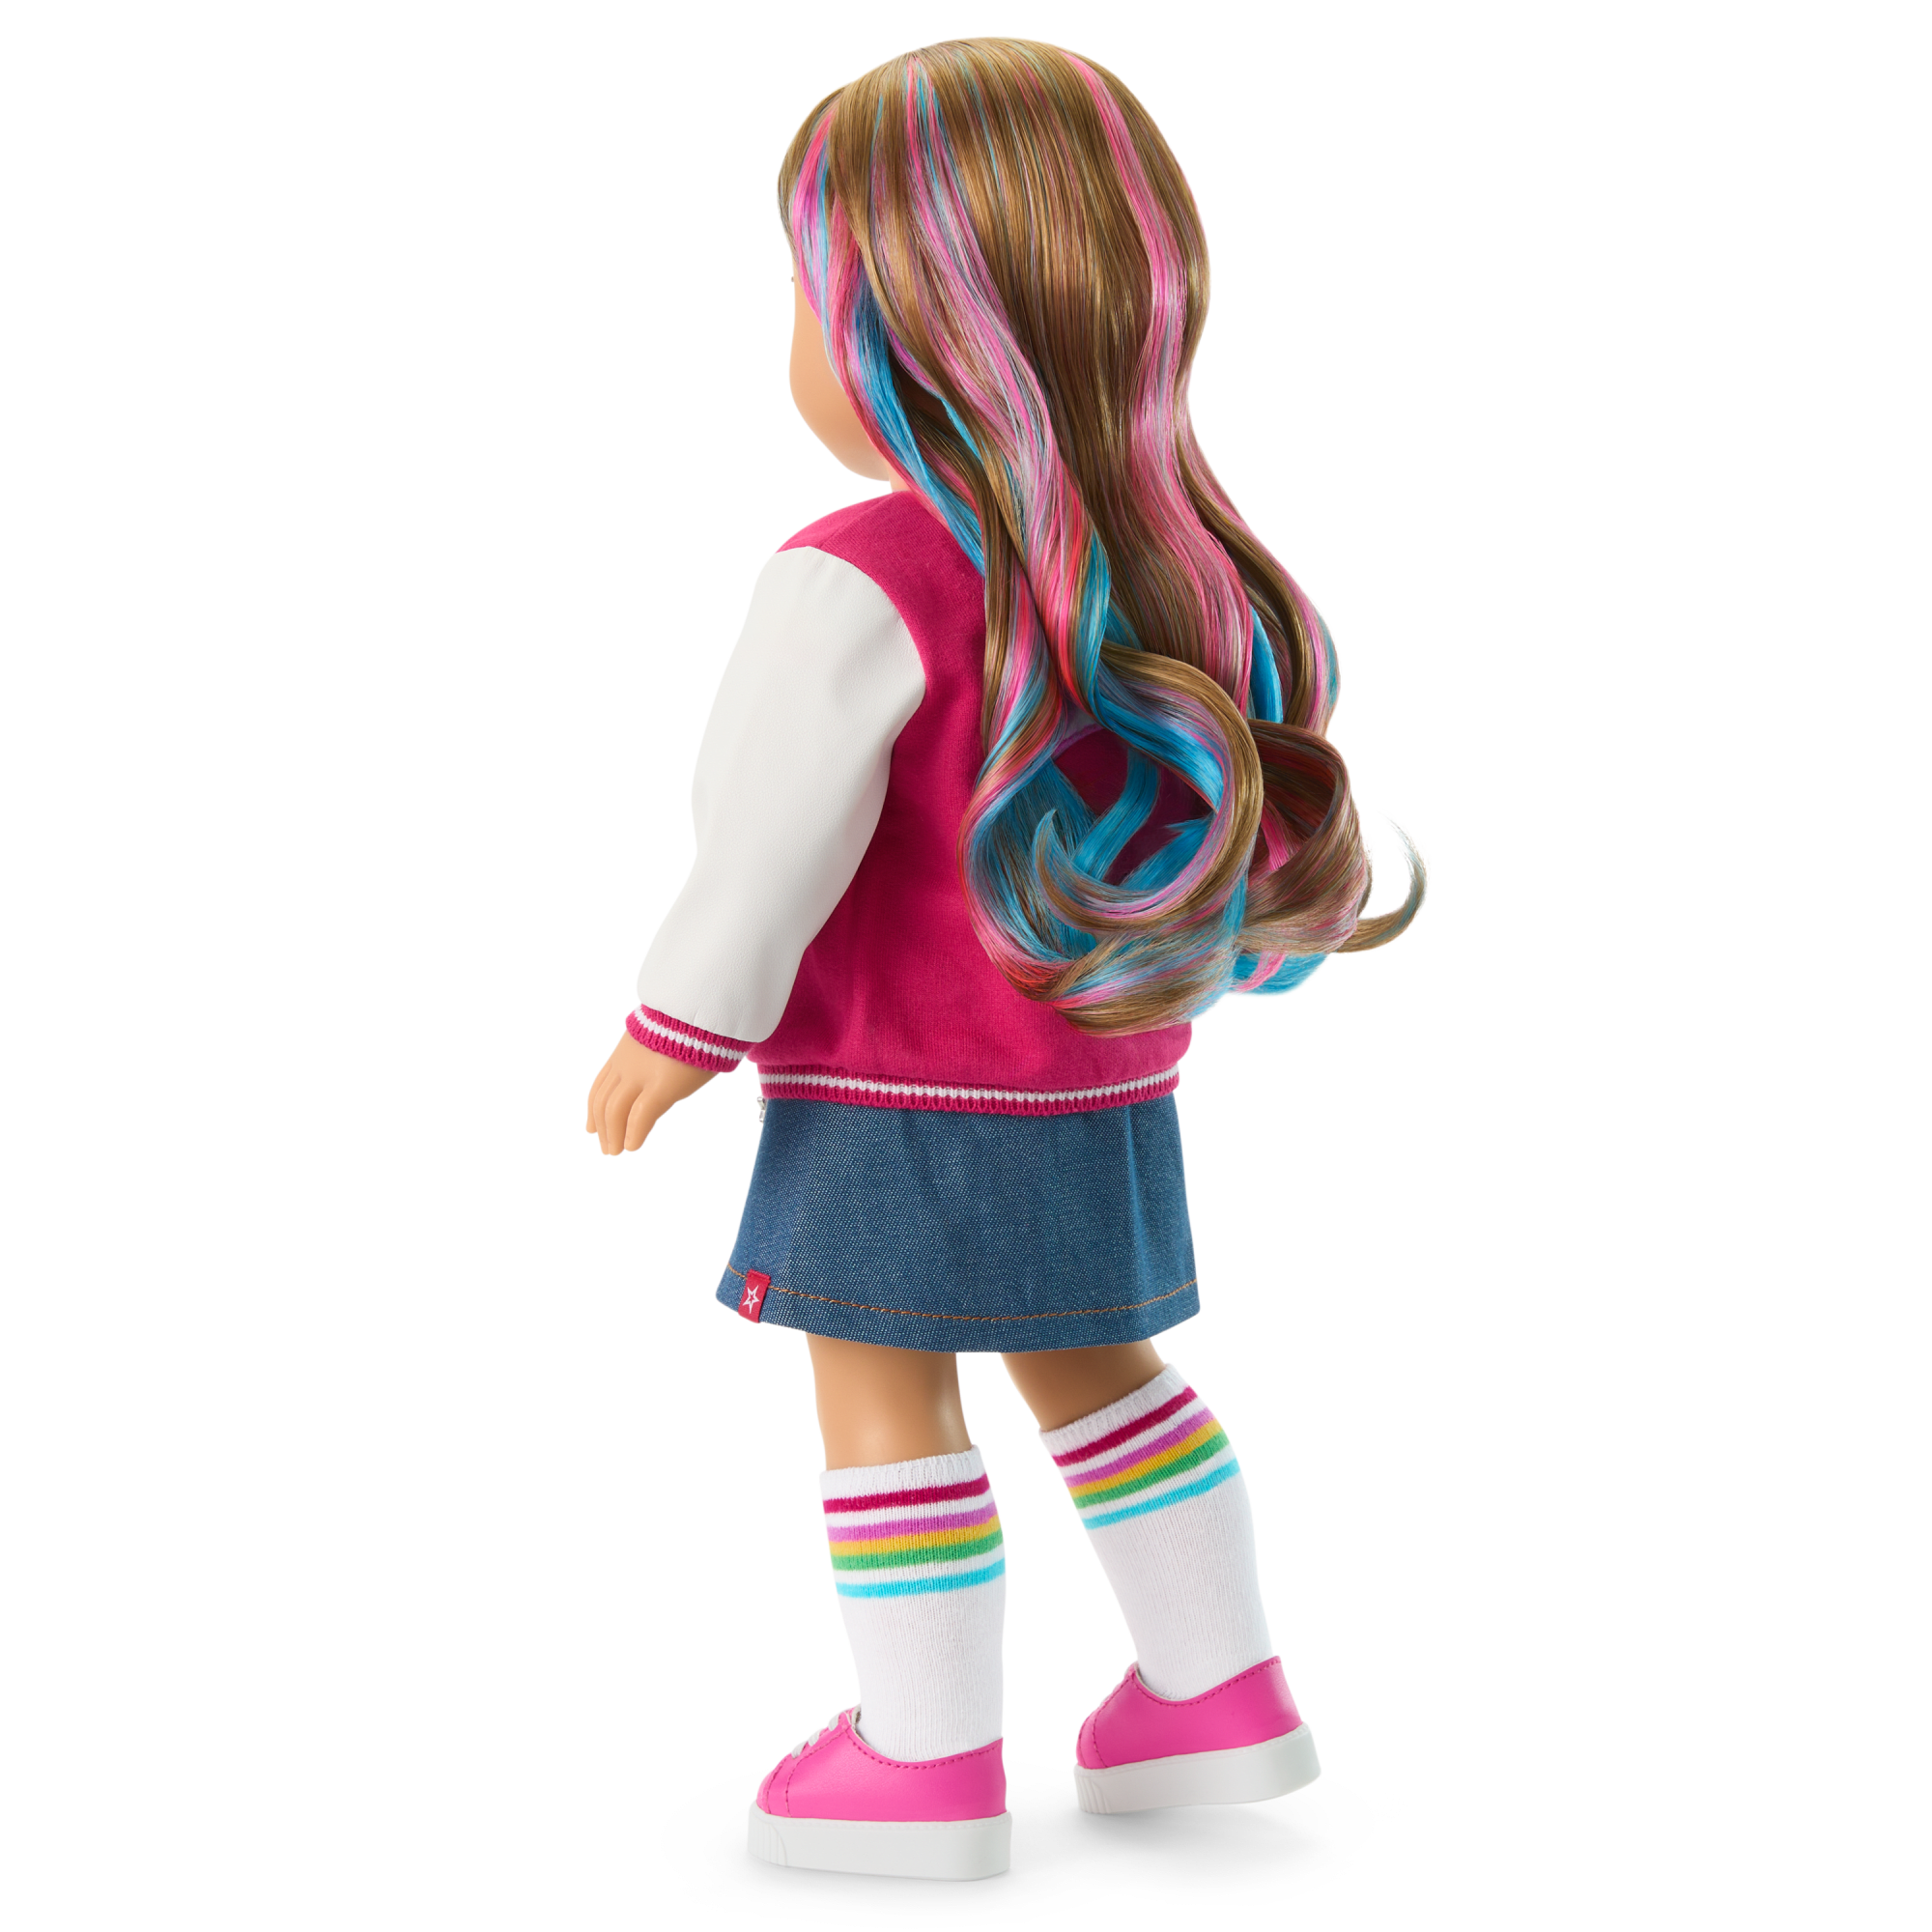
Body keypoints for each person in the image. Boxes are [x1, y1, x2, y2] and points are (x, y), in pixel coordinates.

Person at [582, 35, 1430, 1884]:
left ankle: (925, 1757)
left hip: (891, 1087)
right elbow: (1266, 811)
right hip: (1104, 1079)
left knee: (879, 1392)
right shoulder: (1186, 567)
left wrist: (677, 1027)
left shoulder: (858, 573)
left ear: (898, 332)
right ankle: (1220, 1694)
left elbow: (766, 842)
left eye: (807, 296)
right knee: (1102, 1373)